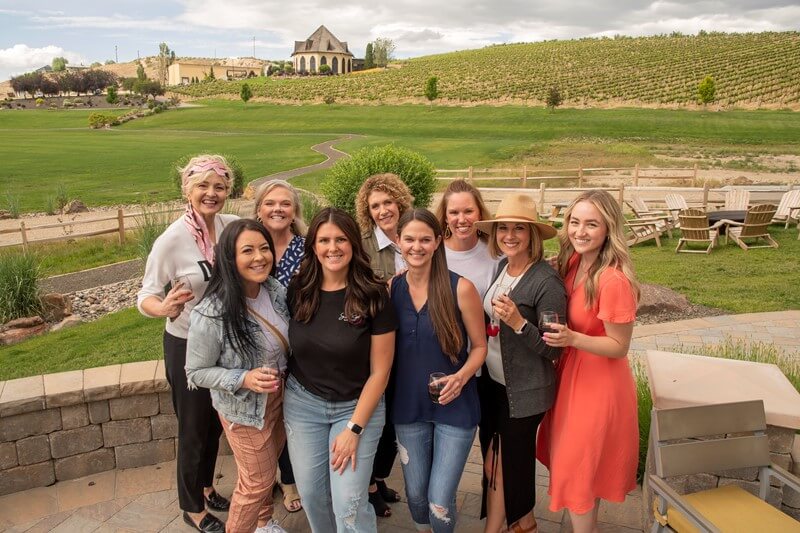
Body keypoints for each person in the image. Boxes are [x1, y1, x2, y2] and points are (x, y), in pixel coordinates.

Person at [137, 154, 237, 533]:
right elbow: (144, 293)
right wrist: (161, 306)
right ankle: (191, 507)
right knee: (194, 427)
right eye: (203, 186)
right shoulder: (172, 240)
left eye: (219, 186)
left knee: (215, 424)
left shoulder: (229, 227)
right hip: (187, 345)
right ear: (187, 190)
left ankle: (207, 485)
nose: (211, 194)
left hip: (224, 346)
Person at [284, 207, 397, 532]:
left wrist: (354, 429)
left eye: (340, 239)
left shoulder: (374, 294)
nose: (332, 247)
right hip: (304, 405)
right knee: (313, 496)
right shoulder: (298, 290)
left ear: (352, 244)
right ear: (314, 246)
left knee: (348, 501)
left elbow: (381, 372)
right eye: (324, 240)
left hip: (357, 406)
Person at [536, 190, 640, 533]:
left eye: (591, 224)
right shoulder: (574, 264)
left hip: (599, 386)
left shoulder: (613, 279)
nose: (580, 231)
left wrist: (572, 339)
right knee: (583, 469)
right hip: (572, 379)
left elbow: (619, 346)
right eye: (574, 222)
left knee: (577, 470)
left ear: (608, 229)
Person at [185, 219, 289, 533]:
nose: (259, 257)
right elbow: (196, 372)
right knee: (256, 482)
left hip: (280, 397)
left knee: (266, 472)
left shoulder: (274, 289)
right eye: (248, 250)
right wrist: (242, 378)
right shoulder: (212, 311)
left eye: (264, 249)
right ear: (230, 258)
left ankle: (264, 523)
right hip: (244, 409)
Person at [473, 193, 567, 533]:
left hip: (524, 392)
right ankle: (498, 527)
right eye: (503, 228)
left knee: (512, 465)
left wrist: (518, 324)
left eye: (519, 229)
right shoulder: (503, 267)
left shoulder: (546, 281)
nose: (509, 235)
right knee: (493, 463)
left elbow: (553, 349)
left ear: (533, 235)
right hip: (493, 385)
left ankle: (525, 523)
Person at [390, 209, 487, 533]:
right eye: (409, 239)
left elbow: (480, 346)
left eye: (425, 239)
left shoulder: (461, 288)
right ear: (398, 241)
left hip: (455, 408)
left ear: (437, 242)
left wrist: (461, 376)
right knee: (416, 495)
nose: (416, 246)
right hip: (407, 407)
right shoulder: (392, 289)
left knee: (439, 499)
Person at [355, 173, 413, 516]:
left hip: (413, 342)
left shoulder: (415, 234)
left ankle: (377, 478)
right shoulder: (364, 245)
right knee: (380, 418)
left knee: (399, 418)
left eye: (387, 203)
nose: (382, 211)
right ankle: (370, 487)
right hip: (377, 344)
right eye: (374, 206)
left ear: (399, 202)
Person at [253, 179, 306, 513]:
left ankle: (288, 479)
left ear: (294, 210)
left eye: (285, 203)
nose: (277, 209)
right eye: (270, 203)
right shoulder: (249, 244)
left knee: (289, 416)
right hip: (254, 347)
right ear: (259, 209)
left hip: (297, 345)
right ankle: (263, 478)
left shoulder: (306, 247)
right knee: (259, 419)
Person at [435, 179, 498, 299]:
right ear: (446, 218)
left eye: (468, 211)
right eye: (454, 212)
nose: (462, 219)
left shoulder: (496, 253)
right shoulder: (433, 252)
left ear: (480, 214)